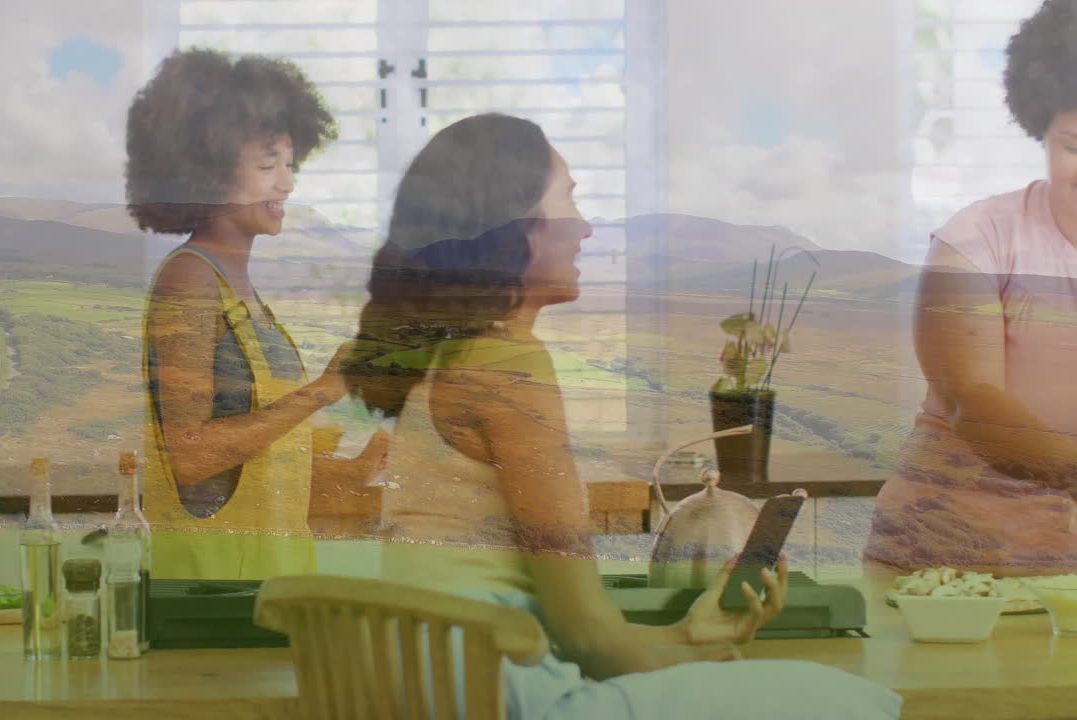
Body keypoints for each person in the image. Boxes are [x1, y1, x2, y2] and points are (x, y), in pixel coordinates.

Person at [347, 113, 900, 718]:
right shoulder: (509, 366)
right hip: (497, 695)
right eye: (568, 202)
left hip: (451, 684)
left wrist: (692, 638)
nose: (584, 228)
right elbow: (587, 639)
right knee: (851, 699)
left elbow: (573, 641)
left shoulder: (451, 364)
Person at [126, 49, 388, 580]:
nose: (287, 184)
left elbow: (255, 461)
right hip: (213, 584)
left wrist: (353, 473)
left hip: (267, 574)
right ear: (208, 172)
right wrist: (321, 391)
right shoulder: (191, 281)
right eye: (268, 165)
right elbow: (192, 456)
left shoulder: (238, 291)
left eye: (289, 164)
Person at [866, 0, 1077, 576]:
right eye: (1073, 146)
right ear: (1041, 130)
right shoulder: (978, 238)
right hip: (947, 561)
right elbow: (973, 402)